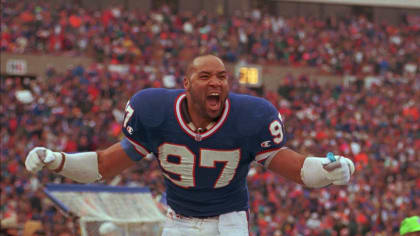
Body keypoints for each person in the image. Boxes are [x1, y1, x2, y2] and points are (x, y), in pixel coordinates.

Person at [25, 54, 355, 236]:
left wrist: (329, 171)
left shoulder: (251, 116)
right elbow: (103, 166)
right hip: (179, 221)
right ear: (186, 84)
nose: (216, 82)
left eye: (222, 76)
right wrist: (58, 160)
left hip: (230, 220)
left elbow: (295, 168)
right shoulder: (153, 112)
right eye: (206, 76)